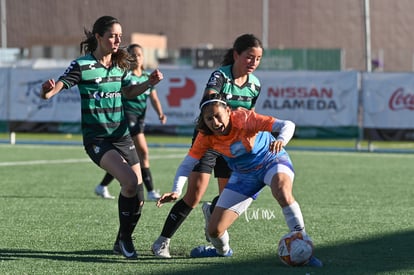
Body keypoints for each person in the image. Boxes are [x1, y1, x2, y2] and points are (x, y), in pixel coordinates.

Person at [40, 15, 163, 259]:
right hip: (97, 139)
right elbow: (60, 85)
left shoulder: (120, 65)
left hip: (122, 136)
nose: (118, 39)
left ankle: (120, 240)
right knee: (129, 182)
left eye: (120, 35)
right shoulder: (82, 65)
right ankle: (127, 241)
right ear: (98, 37)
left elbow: (128, 92)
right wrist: (47, 93)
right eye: (112, 35)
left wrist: (148, 83)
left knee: (137, 195)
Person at [156, 94, 323, 267]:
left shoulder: (245, 118)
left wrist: (281, 140)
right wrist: (176, 190)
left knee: (281, 190)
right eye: (209, 119)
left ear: (228, 111)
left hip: (271, 160)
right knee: (214, 231)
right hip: (244, 175)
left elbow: (288, 125)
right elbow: (187, 164)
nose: (214, 122)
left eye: (217, 116)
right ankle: (222, 251)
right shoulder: (205, 136)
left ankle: (305, 245)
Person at [152, 34, 263, 258]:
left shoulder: (255, 85)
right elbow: (207, 102)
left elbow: (248, 118)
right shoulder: (220, 76)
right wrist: (221, 114)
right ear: (236, 55)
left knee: (227, 201)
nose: (253, 62)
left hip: (231, 147)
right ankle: (162, 242)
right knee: (193, 195)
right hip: (209, 139)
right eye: (249, 57)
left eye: (258, 59)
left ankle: (211, 214)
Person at [94, 43, 166, 201]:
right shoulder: (126, 76)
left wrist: (160, 113)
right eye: (132, 55)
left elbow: (153, 98)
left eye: (139, 55)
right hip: (127, 117)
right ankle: (151, 191)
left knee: (126, 158)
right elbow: (125, 93)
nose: (136, 58)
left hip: (140, 118)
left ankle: (102, 185)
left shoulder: (147, 77)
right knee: (143, 152)